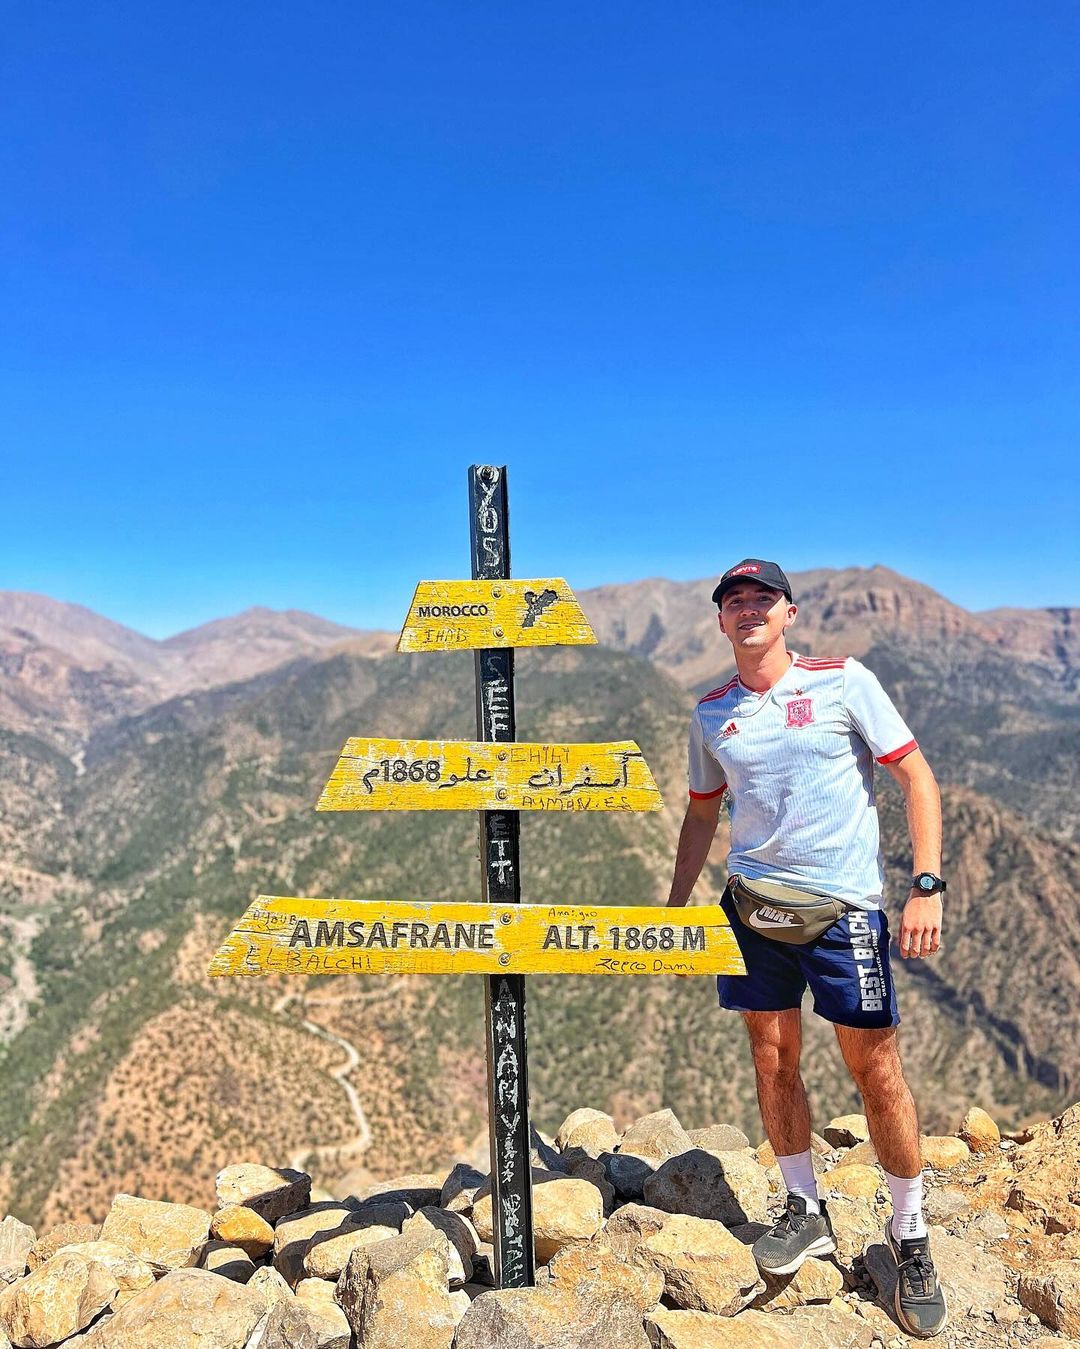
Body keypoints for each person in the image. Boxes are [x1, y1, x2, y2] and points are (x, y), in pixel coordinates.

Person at [665, 558, 948, 1340]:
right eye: (735, 600)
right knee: (772, 1058)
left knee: (876, 1069)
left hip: (844, 909)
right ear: (721, 620)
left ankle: (910, 1231)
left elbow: (916, 777)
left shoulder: (842, 681)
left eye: (764, 597)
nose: (748, 608)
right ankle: (804, 1206)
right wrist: (673, 909)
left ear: (789, 612)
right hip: (752, 909)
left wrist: (926, 884)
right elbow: (700, 815)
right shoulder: (711, 713)